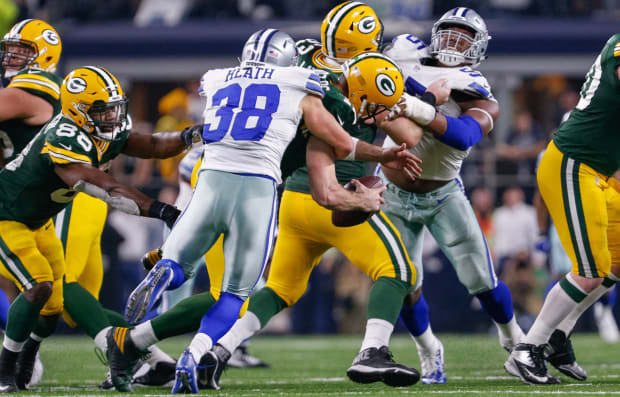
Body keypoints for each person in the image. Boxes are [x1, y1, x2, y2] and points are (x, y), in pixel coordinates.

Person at [107, 29, 419, 394]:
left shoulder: (227, 77)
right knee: (233, 295)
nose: (378, 118)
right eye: (376, 107)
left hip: (207, 175)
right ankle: (191, 349)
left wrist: (380, 154)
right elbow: (329, 181)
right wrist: (365, 196)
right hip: (254, 186)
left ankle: (158, 321)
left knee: (251, 287)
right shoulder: (316, 97)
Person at [199, 3, 425, 390]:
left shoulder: (299, 59)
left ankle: (220, 350)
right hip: (337, 192)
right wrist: (416, 101)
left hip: (290, 198)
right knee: (399, 271)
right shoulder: (358, 76)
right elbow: (410, 134)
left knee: (281, 288)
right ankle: (372, 351)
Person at [0, 65, 200, 393]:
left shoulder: (100, 128)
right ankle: (7, 367)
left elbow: (149, 144)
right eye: (102, 110)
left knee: (57, 305)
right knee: (41, 287)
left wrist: (188, 137)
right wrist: (163, 210)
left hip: (42, 220)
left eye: (114, 107)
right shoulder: (63, 134)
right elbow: (105, 187)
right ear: (79, 112)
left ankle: (29, 357)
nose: (112, 116)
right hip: (8, 215)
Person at [382, 7, 524, 384]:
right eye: (449, 33)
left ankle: (515, 341)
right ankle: (429, 350)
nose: (453, 43)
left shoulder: (474, 85)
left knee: (483, 280)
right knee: (403, 284)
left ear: (477, 49)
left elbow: (462, 135)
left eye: (464, 38)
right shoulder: (402, 52)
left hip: (443, 193)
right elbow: (372, 86)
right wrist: (422, 94)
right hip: (393, 191)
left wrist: (414, 102)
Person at [505, 33, 620, 385]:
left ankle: (559, 334)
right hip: (574, 163)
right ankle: (528, 348)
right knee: (589, 270)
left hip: (599, 170)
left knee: (614, 262)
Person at [0, 18, 63, 389]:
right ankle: (15, 359)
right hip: (24, 206)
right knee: (34, 286)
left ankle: (21, 354)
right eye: (11, 49)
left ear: (43, 56)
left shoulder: (27, 92)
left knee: (48, 297)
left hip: (27, 206)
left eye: (23, 50)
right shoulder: (45, 91)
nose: (12, 56)